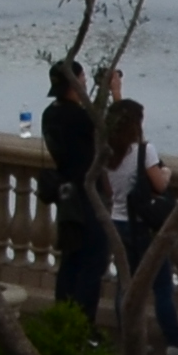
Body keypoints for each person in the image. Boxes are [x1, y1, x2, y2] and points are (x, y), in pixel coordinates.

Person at [96, 96, 178, 355]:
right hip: (142, 227)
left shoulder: (106, 153)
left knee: (126, 284)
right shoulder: (144, 152)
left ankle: (130, 340)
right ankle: (176, 343)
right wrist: (166, 173)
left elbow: (109, 190)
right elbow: (160, 185)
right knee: (161, 286)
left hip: (117, 222)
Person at [39, 60, 109, 309]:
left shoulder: (50, 115)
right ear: (74, 83)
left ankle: (64, 317)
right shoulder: (79, 118)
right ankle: (84, 323)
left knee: (70, 258)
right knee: (94, 260)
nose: (85, 82)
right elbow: (107, 132)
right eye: (82, 78)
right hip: (86, 195)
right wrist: (113, 92)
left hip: (65, 193)